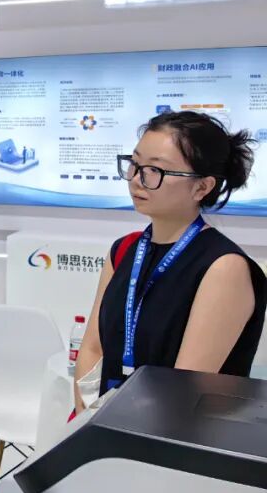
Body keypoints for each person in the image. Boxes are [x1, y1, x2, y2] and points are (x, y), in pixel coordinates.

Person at [74, 111, 266, 411]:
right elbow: (92, 348)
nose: (136, 179)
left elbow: (185, 386)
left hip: (179, 432)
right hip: (105, 426)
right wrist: (86, 421)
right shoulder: (123, 250)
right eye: (135, 164)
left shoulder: (223, 267)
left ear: (202, 187)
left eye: (155, 170)